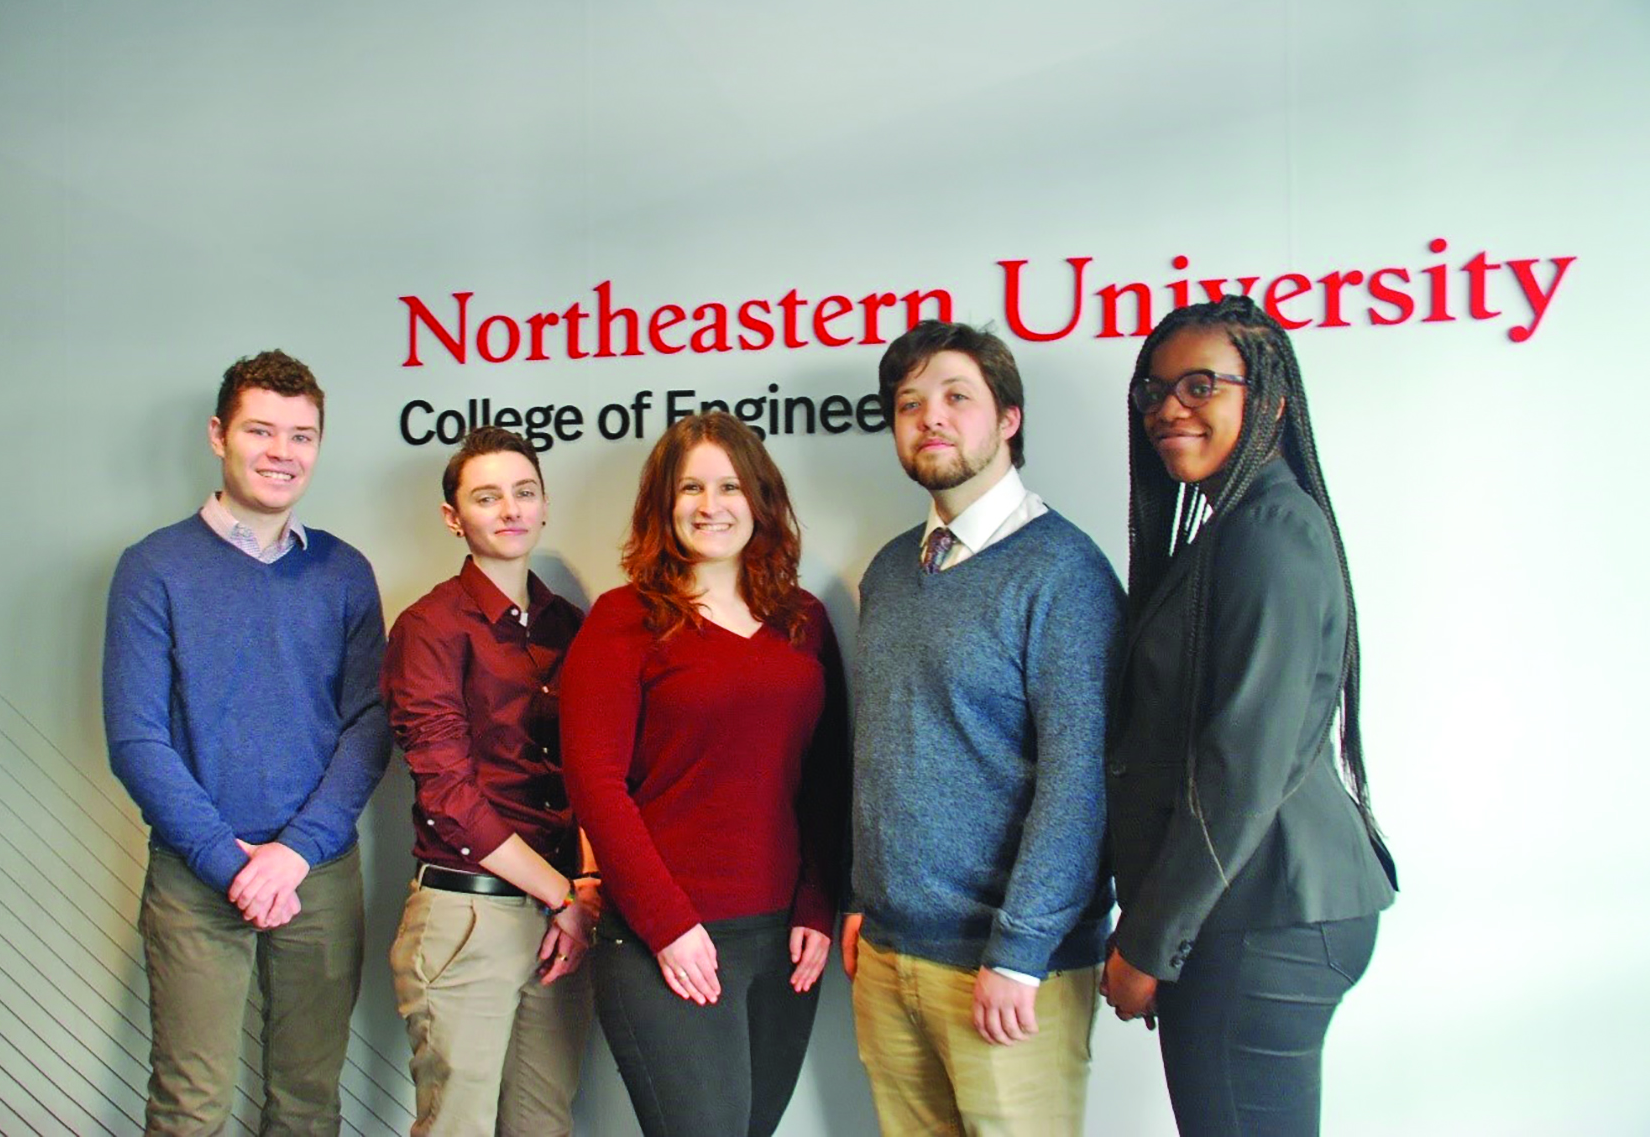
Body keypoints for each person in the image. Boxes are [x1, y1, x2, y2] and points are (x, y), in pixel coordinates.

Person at [1099, 295, 1398, 1136]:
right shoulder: (1234, 526)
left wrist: (1146, 943)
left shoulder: (1269, 530)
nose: (1168, 409)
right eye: (1153, 392)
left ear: (1266, 397)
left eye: (1200, 385)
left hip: (1266, 918)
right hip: (1255, 909)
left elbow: (1238, 770)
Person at [846, 320, 1123, 1137]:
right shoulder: (894, 570)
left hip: (1005, 971)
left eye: (956, 397)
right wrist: (866, 896)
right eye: (909, 403)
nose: (931, 417)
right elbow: (888, 748)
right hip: (890, 956)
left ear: (1008, 418)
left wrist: (1020, 949)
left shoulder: (1065, 572)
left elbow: (1081, 779)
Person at [103, 350, 390, 1135]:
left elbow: (370, 724)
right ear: (218, 435)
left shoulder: (344, 572)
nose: (281, 451)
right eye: (261, 430)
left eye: (301, 435)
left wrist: (294, 852)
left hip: (318, 873)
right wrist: (236, 866)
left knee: (307, 1102)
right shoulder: (152, 568)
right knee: (190, 1105)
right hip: (198, 873)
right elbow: (136, 738)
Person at [560, 411, 847, 1137]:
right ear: (664, 503)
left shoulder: (804, 620)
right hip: (666, 941)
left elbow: (828, 778)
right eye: (690, 487)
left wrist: (817, 906)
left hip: (782, 943)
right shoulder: (624, 620)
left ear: (760, 499)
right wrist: (668, 923)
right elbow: (595, 782)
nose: (710, 504)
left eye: (728, 485)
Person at [381, 426, 599, 1137]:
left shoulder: (574, 626)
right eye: (486, 495)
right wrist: (560, 892)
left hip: (561, 921)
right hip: (469, 917)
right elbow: (448, 795)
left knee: (545, 1124)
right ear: (455, 518)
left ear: (543, 504)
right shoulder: (429, 627)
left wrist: (581, 889)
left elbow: (598, 771)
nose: (509, 507)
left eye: (524, 491)